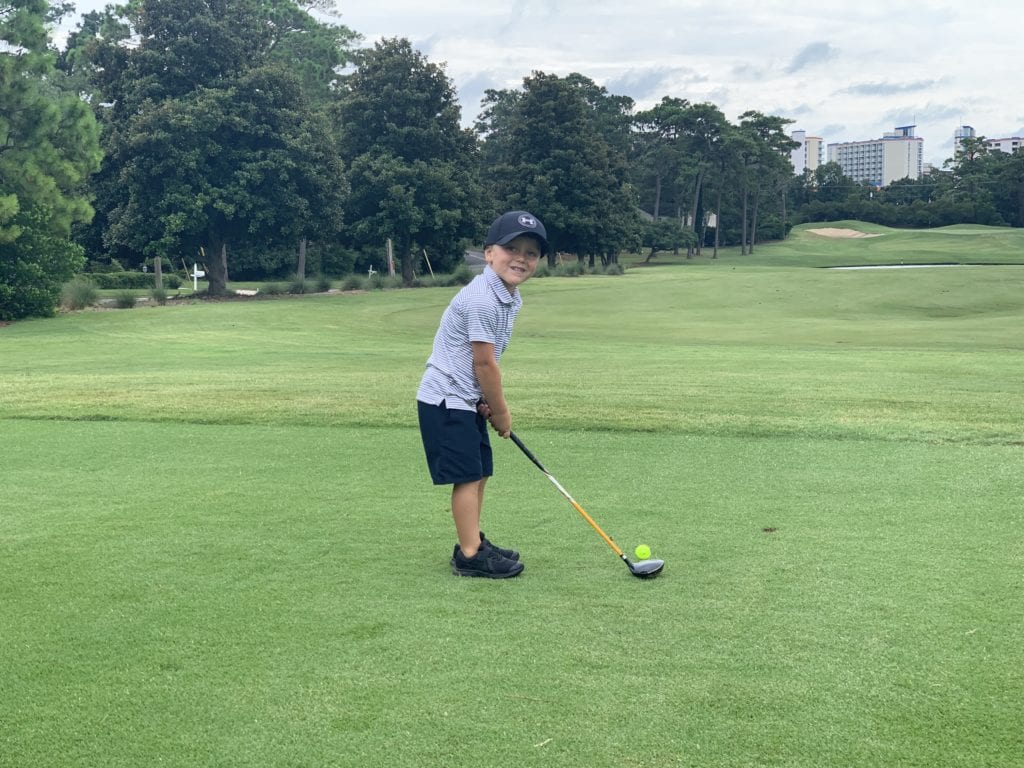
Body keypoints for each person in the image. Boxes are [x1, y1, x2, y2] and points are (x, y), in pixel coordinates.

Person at [416, 210, 549, 578]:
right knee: (468, 477)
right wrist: (502, 412)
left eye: (531, 252)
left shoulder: (507, 295)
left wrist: (485, 402)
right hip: (446, 399)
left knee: (480, 472)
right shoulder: (482, 299)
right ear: (488, 253)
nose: (521, 258)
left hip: (465, 398)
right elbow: (485, 364)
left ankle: (471, 538)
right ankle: (470, 555)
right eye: (512, 248)